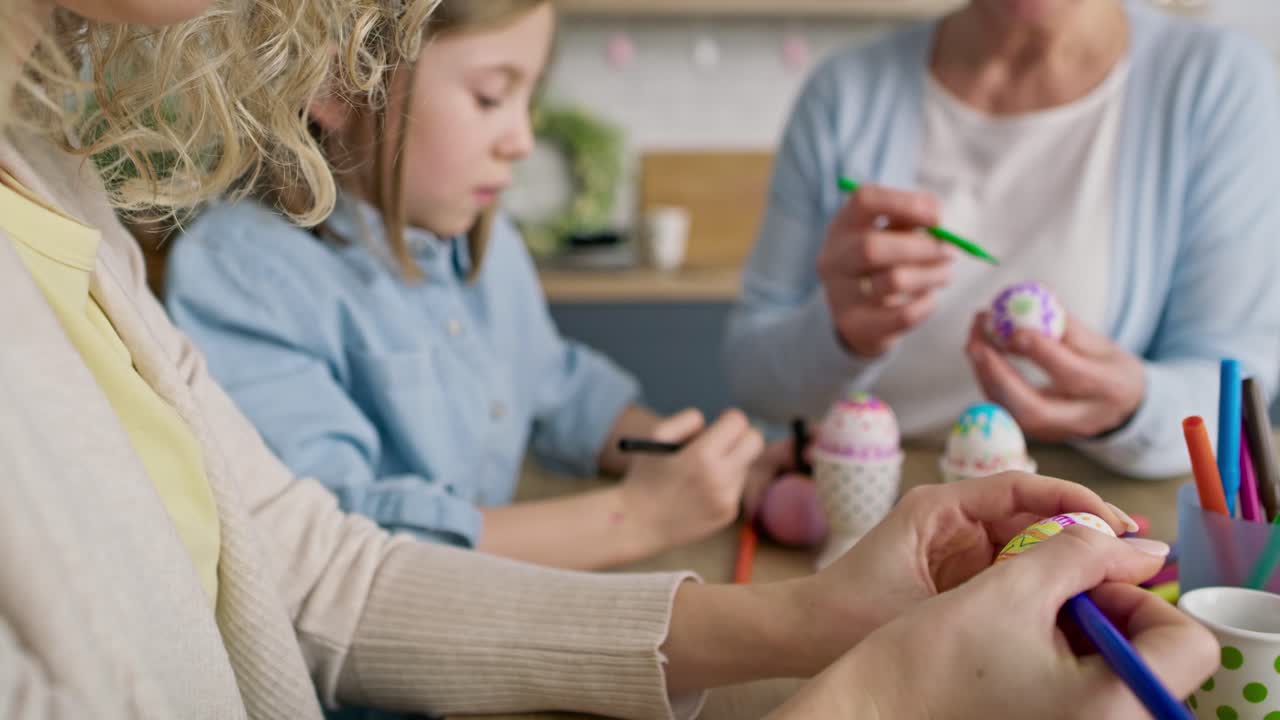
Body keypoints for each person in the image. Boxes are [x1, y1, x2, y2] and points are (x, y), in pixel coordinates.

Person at [0, 0, 1215, 717]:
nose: (520, 142)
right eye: (491, 95)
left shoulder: (55, 194)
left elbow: (310, 566)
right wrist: (872, 692)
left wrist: (808, 622)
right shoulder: (242, 260)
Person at [164, 0, 783, 570]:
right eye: (491, 97)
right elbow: (337, 551)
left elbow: (557, 387)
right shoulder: (241, 274)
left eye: (528, 100)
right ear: (336, 87)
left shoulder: (485, 240)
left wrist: (689, 460)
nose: (522, 141)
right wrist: (637, 517)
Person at [723, 0, 1280, 479]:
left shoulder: (1217, 86)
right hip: (868, 514)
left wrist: (1132, 408)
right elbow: (754, 376)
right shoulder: (844, 94)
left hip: (1090, 523)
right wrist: (841, 336)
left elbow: (1236, 391)